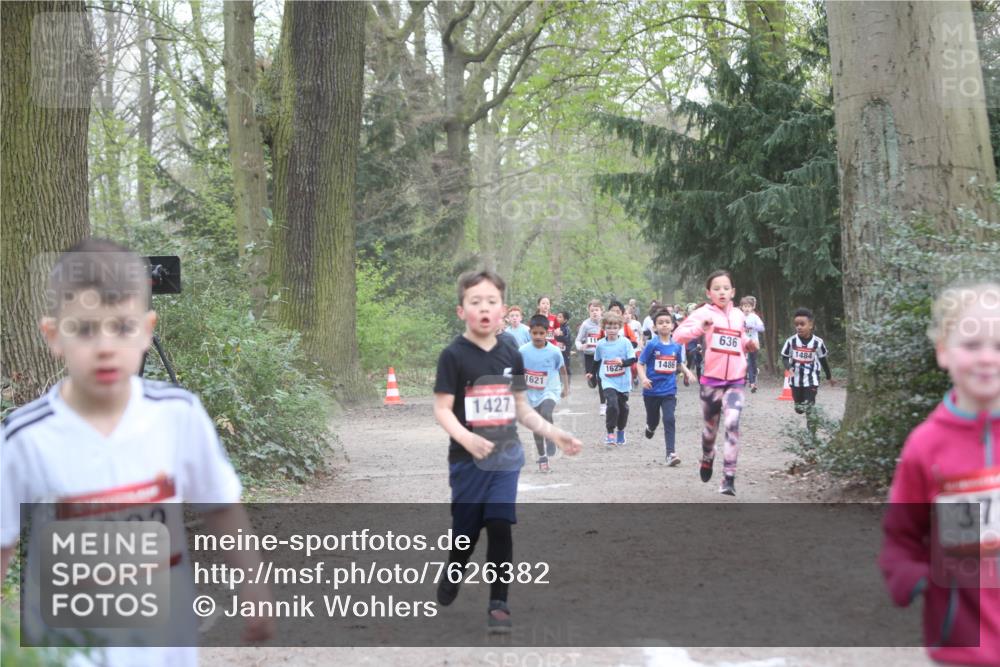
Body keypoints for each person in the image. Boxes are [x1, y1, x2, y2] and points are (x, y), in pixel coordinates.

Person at [0, 239, 275, 667]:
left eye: (123, 327)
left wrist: (253, 585)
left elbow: (220, 504)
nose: (105, 346)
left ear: (147, 330)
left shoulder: (178, 415)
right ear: (53, 336)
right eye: (84, 329)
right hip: (67, 652)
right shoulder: (23, 437)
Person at [433, 270, 582, 633]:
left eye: (492, 302)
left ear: (502, 310)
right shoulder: (453, 356)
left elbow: (521, 407)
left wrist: (554, 433)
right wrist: (466, 439)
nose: (484, 308)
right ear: (461, 311)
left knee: (500, 524)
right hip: (467, 461)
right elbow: (442, 409)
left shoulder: (511, 353)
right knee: (466, 533)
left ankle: (498, 603)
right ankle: (455, 569)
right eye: (476, 302)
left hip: (504, 458)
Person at [879, 281, 1000, 666]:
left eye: (998, 346)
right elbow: (901, 535)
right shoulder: (926, 446)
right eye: (972, 345)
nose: (987, 358)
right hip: (963, 648)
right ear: (944, 352)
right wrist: (915, 579)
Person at [673, 270, 759, 496]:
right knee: (711, 429)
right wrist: (700, 328)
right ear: (708, 293)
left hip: (736, 380)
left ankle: (728, 478)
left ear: (733, 292)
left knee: (732, 424)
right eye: (717, 288)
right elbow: (678, 336)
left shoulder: (739, 315)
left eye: (726, 288)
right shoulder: (703, 313)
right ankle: (708, 455)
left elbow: (739, 337)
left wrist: (748, 344)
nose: (722, 292)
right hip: (711, 381)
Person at [637, 309, 697, 466]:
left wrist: (688, 372)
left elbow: (679, 363)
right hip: (651, 391)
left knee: (669, 418)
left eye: (667, 322)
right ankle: (650, 427)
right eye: (660, 323)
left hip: (669, 390)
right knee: (654, 420)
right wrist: (643, 378)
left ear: (673, 326)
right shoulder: (652, 344)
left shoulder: (676, 346)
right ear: (655, 327)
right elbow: (640, 363)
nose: (664, 325)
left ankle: (670, 453)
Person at [519, 315, 570, 473]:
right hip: (532, 392)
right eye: (535, 333)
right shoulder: (523, 351)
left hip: (550, 389)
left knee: (546, 413)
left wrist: (566, 387)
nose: (538, 336)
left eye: (542, 333)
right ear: (530, 332)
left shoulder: (554, 351)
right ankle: (542, 457)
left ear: (547, 333)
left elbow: (562, 369)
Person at [779, 307, 833, 434]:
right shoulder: (791, 341)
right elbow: (785, 357)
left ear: (810, 325)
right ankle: (799, 406)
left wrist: (829, 376)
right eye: (796, 324)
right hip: (795, 379)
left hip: (812, 379)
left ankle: (811, 435)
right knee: (799, 409)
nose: (799, 327)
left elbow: (823, 360)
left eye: (802, 324)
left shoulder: (818, 343)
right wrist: (788, 367)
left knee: (810, 406)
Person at [589, 312, 637, 448]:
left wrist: (622, 362)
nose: (612, 330)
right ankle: (610, 433)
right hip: (607, 379)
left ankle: (621, 431)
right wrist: (591, 373)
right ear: (604, 327)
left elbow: (633, 359)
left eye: (615, 327)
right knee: (612, 404)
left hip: (623, 381)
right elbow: (597, 360)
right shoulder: (600, 344)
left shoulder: (625, 342)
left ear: (619, 327)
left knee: (623, 408)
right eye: (609, 327)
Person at [575, 299, 606, 415]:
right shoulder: (585, 324)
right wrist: (580, 346)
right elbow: (578, 340)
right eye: (592, 310)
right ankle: (592, 381)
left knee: (601, 379)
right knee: (593, 381)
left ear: (601, 311)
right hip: (589, 355)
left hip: (602, 356)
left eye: (597, 310)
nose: (594, 312)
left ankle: (603, 405)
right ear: (589, 312)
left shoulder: (605, 323)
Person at [740, 296, 766, 393]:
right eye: (745, 306)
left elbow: (762, 328)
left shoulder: (754, 317)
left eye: (749, 306)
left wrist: (753, 326)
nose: (747, 308)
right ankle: (750, 383)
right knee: (744, 362)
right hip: (742, 343)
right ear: (741, 307)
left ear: (752, 308)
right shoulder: (739, 316)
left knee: (752, 363)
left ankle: (754, 374)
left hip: (753, 343)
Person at [553, 310, 573, 385]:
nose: (557, 318)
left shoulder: (566, 328)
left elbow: (567, 339)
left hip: (565, 351)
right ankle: (558, 382)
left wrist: (558, 336)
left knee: (565, 366)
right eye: (557, 316)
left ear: (565, 320)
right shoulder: (556, 327)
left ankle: (567, 383)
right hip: (557, 350)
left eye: (560, 317)